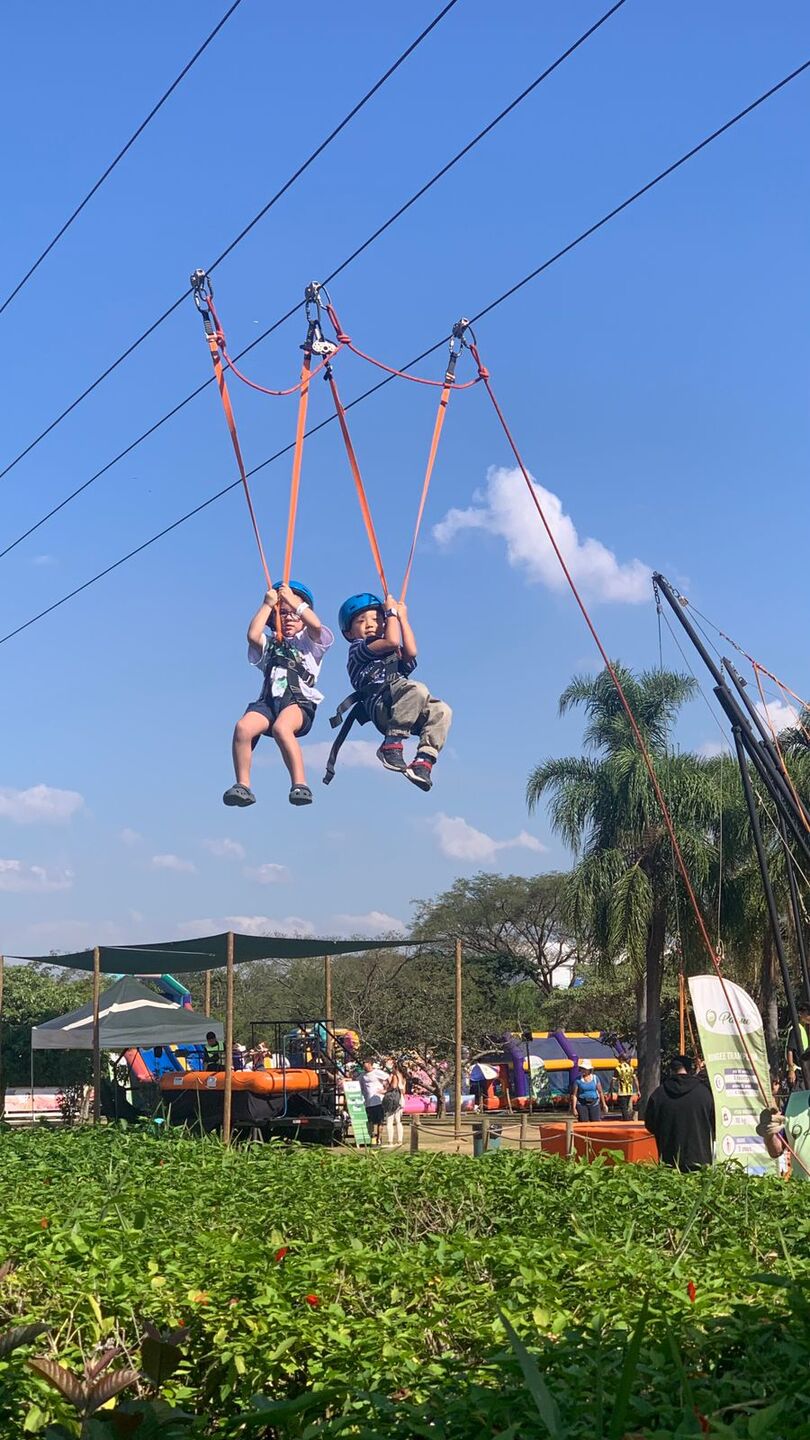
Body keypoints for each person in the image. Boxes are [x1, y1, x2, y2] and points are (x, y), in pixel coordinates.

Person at [223, 581, 334, 809]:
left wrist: (293, 601)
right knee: (243, 728)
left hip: (298, 702)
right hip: (268, 703)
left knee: (282, 728)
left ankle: (300, 783)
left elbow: (315, 626)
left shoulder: (310, 644)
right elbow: (253, 635)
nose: (290, 617)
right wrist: (267, 605)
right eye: (283, 614)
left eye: (295, 613)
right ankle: (243, 785)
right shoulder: (270, 644)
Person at [336, 592, 452, 791]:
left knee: (442, 710)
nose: (370, 624)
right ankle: (391, 744)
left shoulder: (391, 654)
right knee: (417, 689)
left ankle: (424, 761)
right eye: (361, 621)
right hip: (381, 704)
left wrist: (402, 619)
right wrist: (389, 613)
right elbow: (390, 641)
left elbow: (411, 652)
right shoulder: (358, 648)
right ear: (349, 633)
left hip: (402, 705)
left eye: (376, 618)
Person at [644, 1055, 715, 1171]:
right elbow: (714, 1123)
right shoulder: (704, 1093)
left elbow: (650, 1125)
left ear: (671, 1070)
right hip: (700, 1159)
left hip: (669, 1160)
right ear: (690, 1070)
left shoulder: (659, 1094)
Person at [359, 1057, 388, 1143]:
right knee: (370, 1121)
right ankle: (371, 1137)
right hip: (368, 1102)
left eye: (367, 1066)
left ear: (371, 1065)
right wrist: (344, 1080)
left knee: (380, 1121)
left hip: (378, 1101)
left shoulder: (377, 1072)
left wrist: (386, 1090)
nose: (365, 1068)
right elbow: (355, 1081)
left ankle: (379, 1138)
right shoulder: (362, 1075)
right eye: (364, 1066)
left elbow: (389, 1078)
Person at [382, 1059, 407, 1148]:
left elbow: (393, 1086)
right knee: (398, 1121)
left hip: (393, 1099)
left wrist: (384, 1091)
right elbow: (404, 1090)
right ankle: (399, 1140)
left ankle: (390, 1141)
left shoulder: (395, 1075)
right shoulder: (403, 1077)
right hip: (401, 1099)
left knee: (389, 1120)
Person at [786, 1001, 810, 1089]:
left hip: (803, 1071)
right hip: (797, 1072)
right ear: (801, 1014)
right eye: (808, 1014)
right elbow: (790, 1050)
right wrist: (791, 1070)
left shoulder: (803, 1029)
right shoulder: (795, 1029)